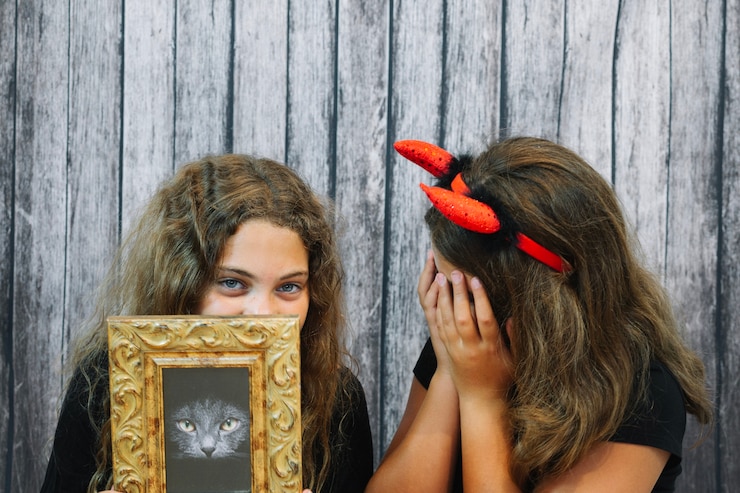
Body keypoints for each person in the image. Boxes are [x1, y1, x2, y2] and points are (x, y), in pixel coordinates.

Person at [366, 137, 712, 493]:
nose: (448, 308)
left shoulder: (643, 391)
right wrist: (448, 373)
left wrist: (483, 399)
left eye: (464, 294)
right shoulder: (465, 336)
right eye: (442, 283)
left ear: (545, 304)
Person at [40, 154, 373, 493]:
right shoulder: (106, 380)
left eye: (289, 287)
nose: (262, 313)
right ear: (184, 284)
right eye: (232, 283)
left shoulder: (336, 396)